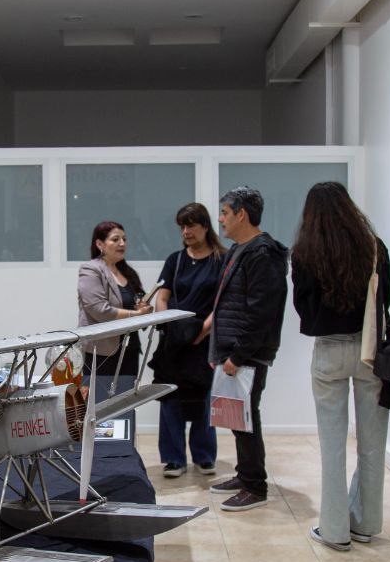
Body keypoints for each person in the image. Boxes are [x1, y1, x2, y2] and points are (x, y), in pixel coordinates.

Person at [291, 182, 390, 550]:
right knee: (372, 444)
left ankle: (334, 530)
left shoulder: (304, 253)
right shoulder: (374, 248)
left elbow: (303, 307)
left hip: (329, 351)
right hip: (369, 349)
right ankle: (365, 523)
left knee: (331, 447)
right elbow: (384, 299)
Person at [206, 186, 289, 513]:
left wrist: (237, 355)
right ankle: (244, 475)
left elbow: (261, 312)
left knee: (246, 417)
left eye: (225, 212)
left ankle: (255, 486)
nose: (221, 219)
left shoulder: (262, 253)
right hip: (232, 351)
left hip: (246, 354)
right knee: (237, 418)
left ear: (242, 214)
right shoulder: (240, 249)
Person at [151, 204, 223, 477]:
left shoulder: (221, 260)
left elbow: (223, 302)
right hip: (174, 341)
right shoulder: (175, 260)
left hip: (204, 340)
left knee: (204, 398)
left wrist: (202, 332)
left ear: (205, 226)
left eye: (191, 225)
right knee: (170, 397)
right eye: (182, 226)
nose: (186, 231)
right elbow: (162, 297)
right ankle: (174, 459)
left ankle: (204, 456)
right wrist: (168, 325)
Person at [76, 221, 153, 401]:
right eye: (115, 239)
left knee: (126, 403)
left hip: (130, 349)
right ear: (99, 244)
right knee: (100, 406)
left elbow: (137, 302)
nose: (122, 243)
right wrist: (136, 315)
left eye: (124, 239)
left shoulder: (128, 272)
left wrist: (144, 308)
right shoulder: (91, 269)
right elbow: (99, 309)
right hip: (102, 352)